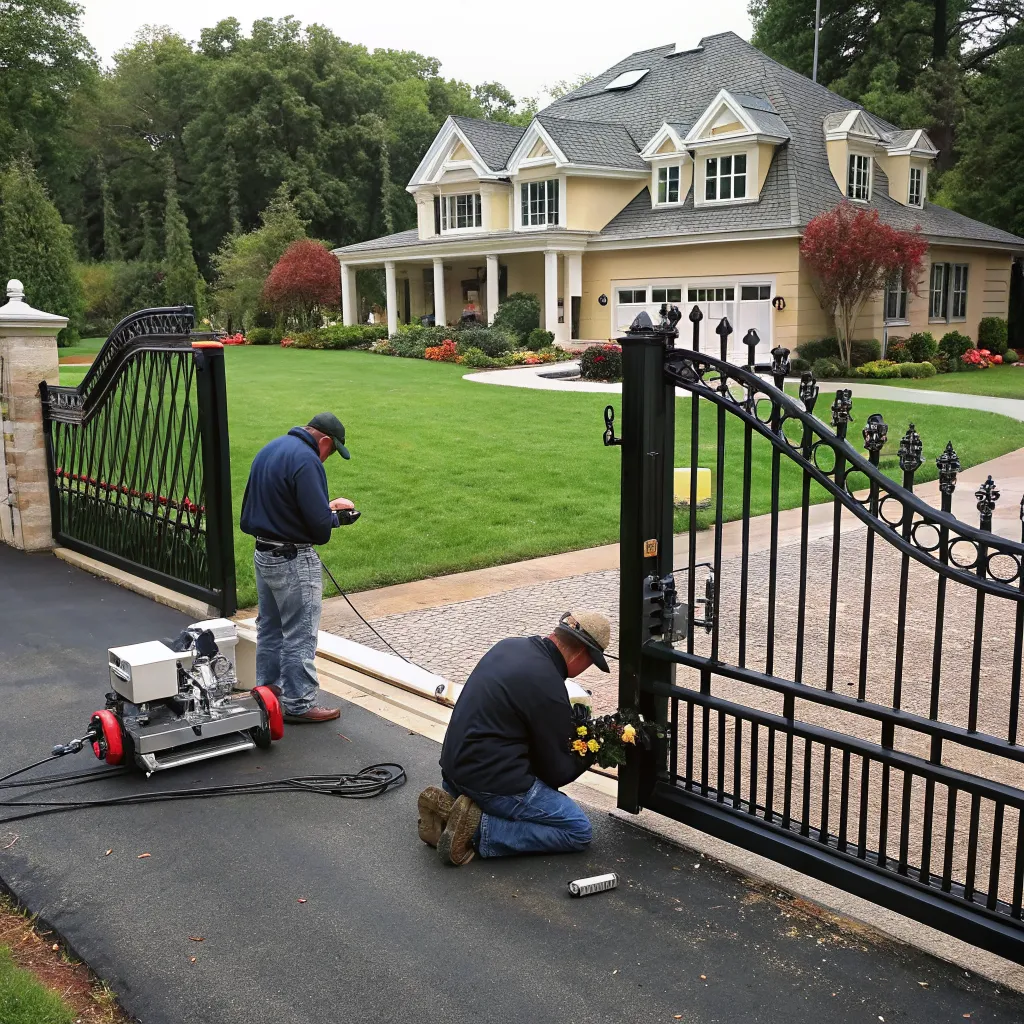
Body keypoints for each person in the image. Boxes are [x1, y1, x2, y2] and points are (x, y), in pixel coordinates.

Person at [418, 610, 611, 866]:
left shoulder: (509, 646)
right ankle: (476, 829)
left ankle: (453, 807)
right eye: (591, 662)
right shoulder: (548, 686)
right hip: (489, 781)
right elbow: (557, 774)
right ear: (580, 654)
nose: (587, 669)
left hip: (454, 770)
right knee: (577, 829)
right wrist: (594, 747)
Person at [240, 413, 357, 723]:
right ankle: (299, 704)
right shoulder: (307, 461)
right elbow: (319, 531)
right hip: (292, 560)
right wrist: (336, 518)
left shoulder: (272, 448)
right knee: (300, 633)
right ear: (325, 442)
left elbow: (280, 505)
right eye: (331, 452)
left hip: (264, 552)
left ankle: (268, 695)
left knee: (270, 628)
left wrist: (325, 507)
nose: (327, 458)